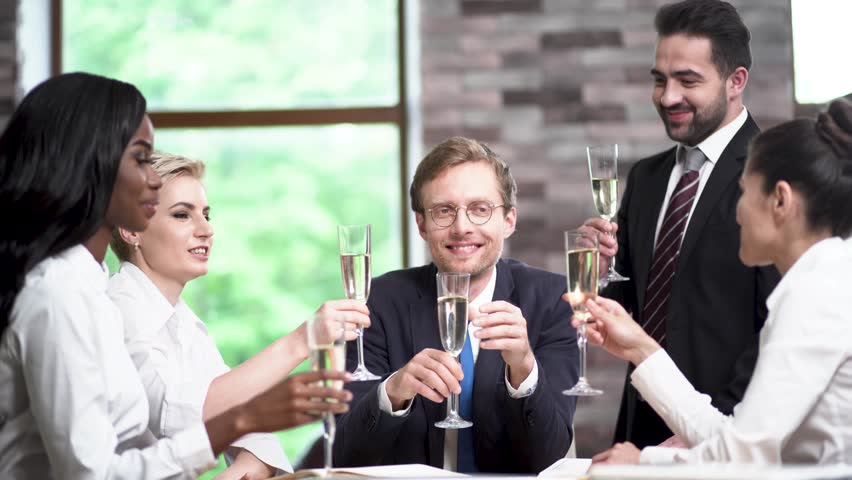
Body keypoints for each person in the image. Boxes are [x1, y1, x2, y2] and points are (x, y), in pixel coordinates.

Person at [0, 72, 351, 479]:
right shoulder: (61, 295)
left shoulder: (94, 289)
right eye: (140, 158)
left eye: (205, 214)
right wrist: (241, 419)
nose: (152, 179)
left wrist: (247, 428)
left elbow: (208, 420)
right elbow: (93, 474)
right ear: (90, 163)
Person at [580, 98, 852, 465]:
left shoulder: (818, 292)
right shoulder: (822, 278)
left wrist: (643, 464)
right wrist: (640, 348)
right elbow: (736, 436)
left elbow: (741, 456)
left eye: (745, 191)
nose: (737, 212)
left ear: (780, 201)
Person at [579, 0, 780, 449]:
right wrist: (597, 269)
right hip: (639, 431)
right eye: (659, 80)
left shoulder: (776, 177)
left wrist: (711, 434)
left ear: (736, 81)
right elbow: (629, 311)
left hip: (726, 439)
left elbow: (777, 331)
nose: (668, 97)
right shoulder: (646, 178)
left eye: (687, 81)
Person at [106, 151, 371, 479]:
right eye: (181, 215)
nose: (206, 229)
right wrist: (304, 340)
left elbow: (241, 412)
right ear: (131, 230)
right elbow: (186, 414)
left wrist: (253, 463)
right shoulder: (119, 311)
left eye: (206, 214)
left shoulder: (182, 320)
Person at [334, 136, 578, 474]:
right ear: (421, 224)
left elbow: (549, 458)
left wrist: (523, 367)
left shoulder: (553, 300)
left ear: (508, 221)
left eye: (480, 209)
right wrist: (394, 391)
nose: (462, 228)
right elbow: (345, 455)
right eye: (444, 211)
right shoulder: (378, 302)